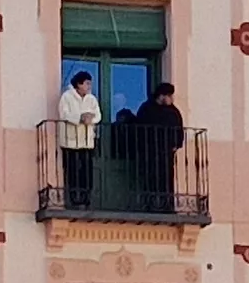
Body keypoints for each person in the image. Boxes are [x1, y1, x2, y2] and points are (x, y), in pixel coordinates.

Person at [112, 82, 185, 214]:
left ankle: (166, 206)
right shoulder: (147, 109)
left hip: (166, 153)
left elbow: (179, 129)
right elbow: (140, 129)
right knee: (150, 178)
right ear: (161, 96)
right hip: (149, 152)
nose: (171, 99)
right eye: (169, 96)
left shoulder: (173, 111)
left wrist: (177, 144)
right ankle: (150, 205)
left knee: (166, 179)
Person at [54, 70, 101, 208]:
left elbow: (98, 115)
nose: (89, 86)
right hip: (70, 141)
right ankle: (75, 198)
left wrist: (90, 118)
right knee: (72, 171)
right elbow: (64, 114)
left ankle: (86, 199)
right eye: (87, 83)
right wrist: (80, 118)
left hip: (87, 142)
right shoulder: (67, 97)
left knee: (86, 171)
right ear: (79, 84)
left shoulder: (92, 99)